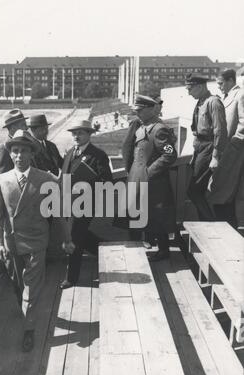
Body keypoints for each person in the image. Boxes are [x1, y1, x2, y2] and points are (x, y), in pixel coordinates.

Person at [0, 130, 74, 352]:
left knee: (32, 289)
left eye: (24, 151)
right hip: (12, 245)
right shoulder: (1, 180)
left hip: (37, 243)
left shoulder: (46, 179)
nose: (19, 156)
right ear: (11, 153)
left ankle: (29, 330)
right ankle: (27, 314)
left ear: (31, 153)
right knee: (19, 287)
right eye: (15, 151)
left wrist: (67, 240)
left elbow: (58, 214)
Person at [121, 94, 177, 261]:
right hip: (137, 178)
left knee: (157, 216)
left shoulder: (159, 129)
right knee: (137, 215)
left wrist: (149, 172)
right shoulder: (141, 128)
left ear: (151, 109)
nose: (138, 113)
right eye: (136, 110)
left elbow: (170, 154)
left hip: (154, 183)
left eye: (140, 110)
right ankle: (137, 251)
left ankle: (163, 251)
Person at [59, 120, 112, 289]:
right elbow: (64, 177)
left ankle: (71, 278)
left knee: (74, 237)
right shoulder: (69, 153)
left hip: (85, 204)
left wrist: (87, 186)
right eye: (74, 133)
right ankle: (105, 250)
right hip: (68, 202)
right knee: (80, 235)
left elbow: (107, 182)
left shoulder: (98, 155)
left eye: (80, 133)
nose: (76, 136)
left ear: (89, 134)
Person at [185, 73, 227, 221]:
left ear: (201, 86)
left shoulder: (213, 102)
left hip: (209, 148)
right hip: (200, 149)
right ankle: (205, 224)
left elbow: (220, 130)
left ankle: (211, 224)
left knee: (194, 190)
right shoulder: (201, 102)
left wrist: (215, 157)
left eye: (190, 88)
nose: (188, 93)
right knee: (198, 190)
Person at [209, 69, 244, 227]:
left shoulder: (240, 95)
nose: (219, 87)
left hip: (234, 151)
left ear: (231, 80)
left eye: (221, 83)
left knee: (226, 193)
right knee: (222, 192)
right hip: (225, 151)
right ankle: (227, 228)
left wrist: (233, 145)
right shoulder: (225, 97)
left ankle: (231, 230)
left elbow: (243, 123)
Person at [28, 113, 63, 177]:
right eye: (42, 129)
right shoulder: (29, 148)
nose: (46, 132)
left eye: (46, 128)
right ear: (33, 130)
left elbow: (62, 164)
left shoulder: (52, 146)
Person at [0, 109, 28, 176]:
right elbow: (0, 178)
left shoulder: (27, 143)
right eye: (23, 125)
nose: (27, 128)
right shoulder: (4, 149)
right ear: (13, 128)